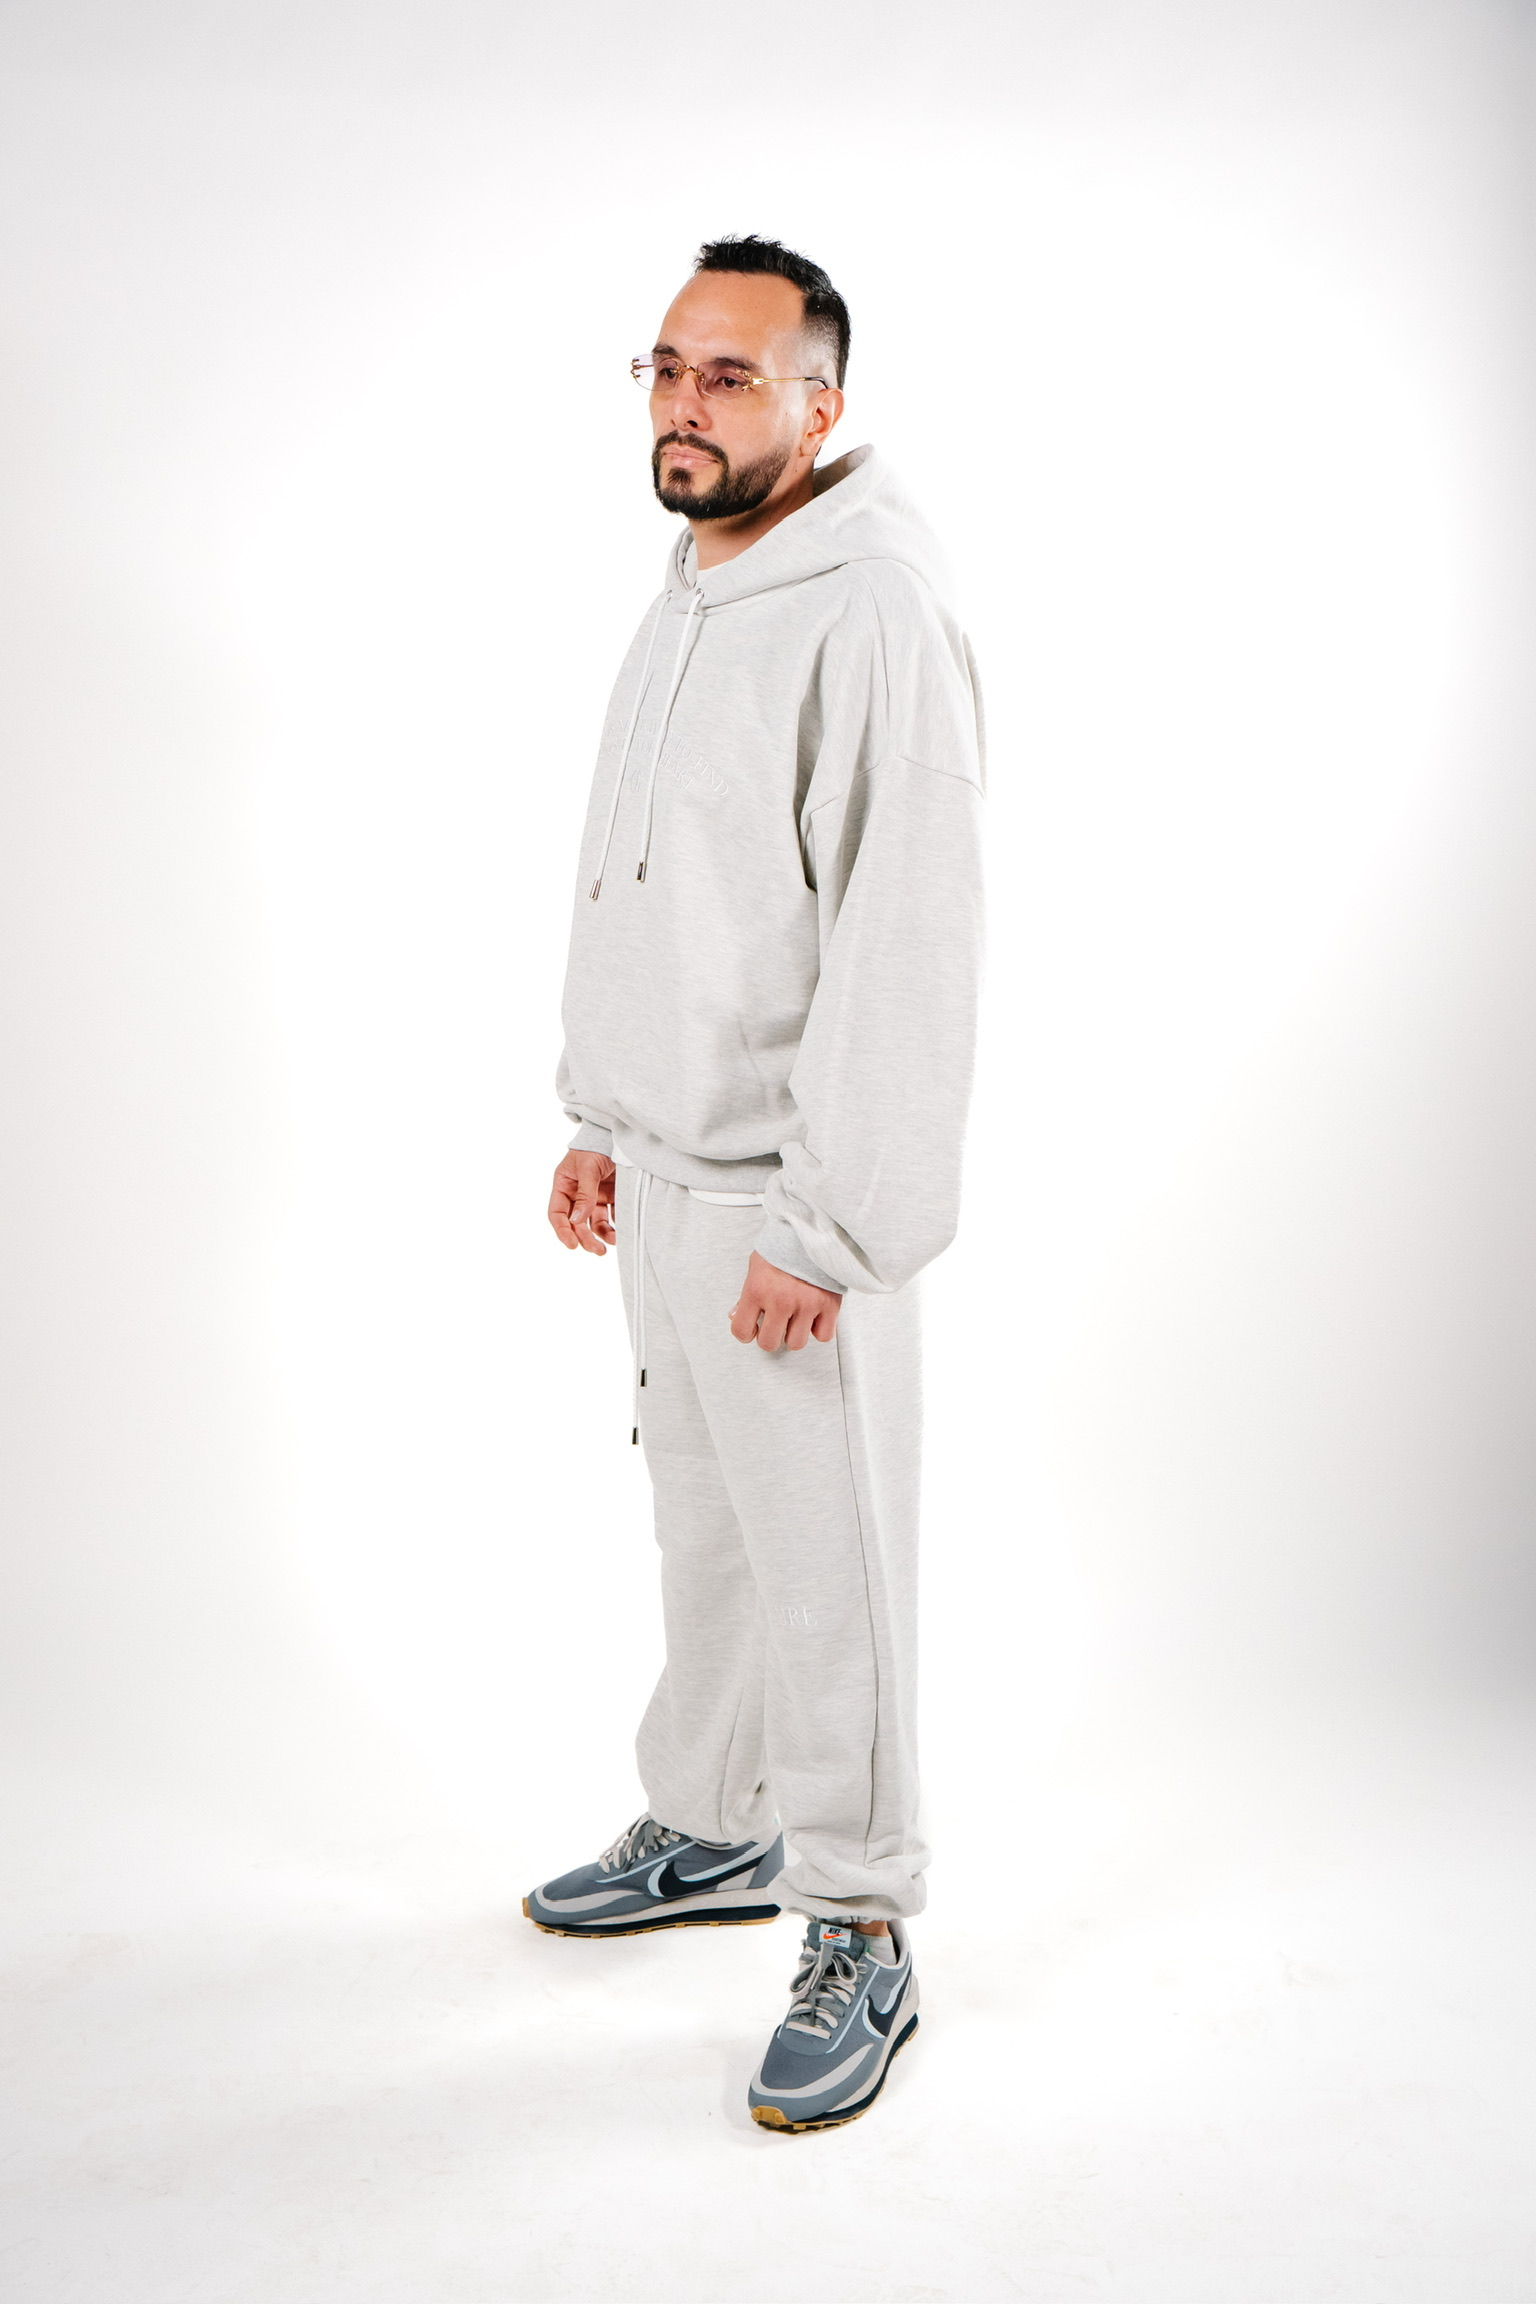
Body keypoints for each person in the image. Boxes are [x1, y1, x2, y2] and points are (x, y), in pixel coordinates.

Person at [528, 234, 985, 2133]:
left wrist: (834, 1224)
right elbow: (658, 881)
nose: (685, 404)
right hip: (666, 1172)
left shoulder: (869, 612)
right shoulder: (698, 583)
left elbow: (906, 940)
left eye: (731, 375)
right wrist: (602, 1113)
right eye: (666, 366)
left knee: (828, 1570)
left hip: (787, 1208)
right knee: (707, 1542)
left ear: (823, 401)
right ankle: (716, 1825)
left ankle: (860, 1919)